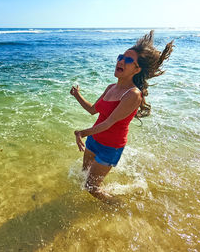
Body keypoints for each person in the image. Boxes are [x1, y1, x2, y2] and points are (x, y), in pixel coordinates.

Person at [70, 30, 174, 204]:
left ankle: (120, 206)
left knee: (92, 188)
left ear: (137, 69)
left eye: (127, 60)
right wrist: (77, 95)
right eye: (120, 57)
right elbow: (93, 110)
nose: (121, 61)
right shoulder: (111, 87)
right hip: (95, 139)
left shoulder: (133, 94)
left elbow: (110, 123)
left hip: (110, 146)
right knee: (83, 175)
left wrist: (82, 132)